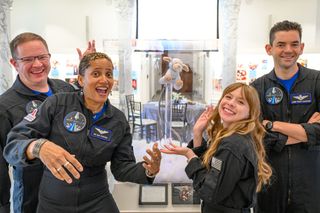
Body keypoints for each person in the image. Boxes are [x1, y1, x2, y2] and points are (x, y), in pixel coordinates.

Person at [4, 52, 161, 213]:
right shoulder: (57, 104)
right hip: (53, 203)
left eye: (108, 74)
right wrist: (38, 147)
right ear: (81, 80)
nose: (104, 79)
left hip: (97, 201)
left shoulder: (118, 120)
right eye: (96, 73)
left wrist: (148, 170)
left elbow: (122, 168)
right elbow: (13, 144)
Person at [0, 32, 95, 213]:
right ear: (14, 63)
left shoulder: (64, 89)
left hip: (75, 194)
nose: (37, 64)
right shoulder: (4, 107)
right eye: (28, 59)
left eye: (42, 57)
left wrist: (88, 73)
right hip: (34, 200)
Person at [161, 82, 272, 213]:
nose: (231, 103)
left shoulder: (232, 145)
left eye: (241, 102)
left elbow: (209, 192)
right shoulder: (233, 137)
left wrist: (190, 156)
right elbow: (211, 172)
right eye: (228, 97)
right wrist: (197, 133)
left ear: (250, 113)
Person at [251, 20, 320, 213]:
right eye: (281, 44)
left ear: (302, 47)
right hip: (269, 186)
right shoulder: (257, 89)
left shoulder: (317, 82)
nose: (288, 50)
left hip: (311, 186)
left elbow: (266, 130)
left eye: (294, 44)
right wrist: (305, 132)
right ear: (269, 48)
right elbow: (256, 136)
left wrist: (272, 125)